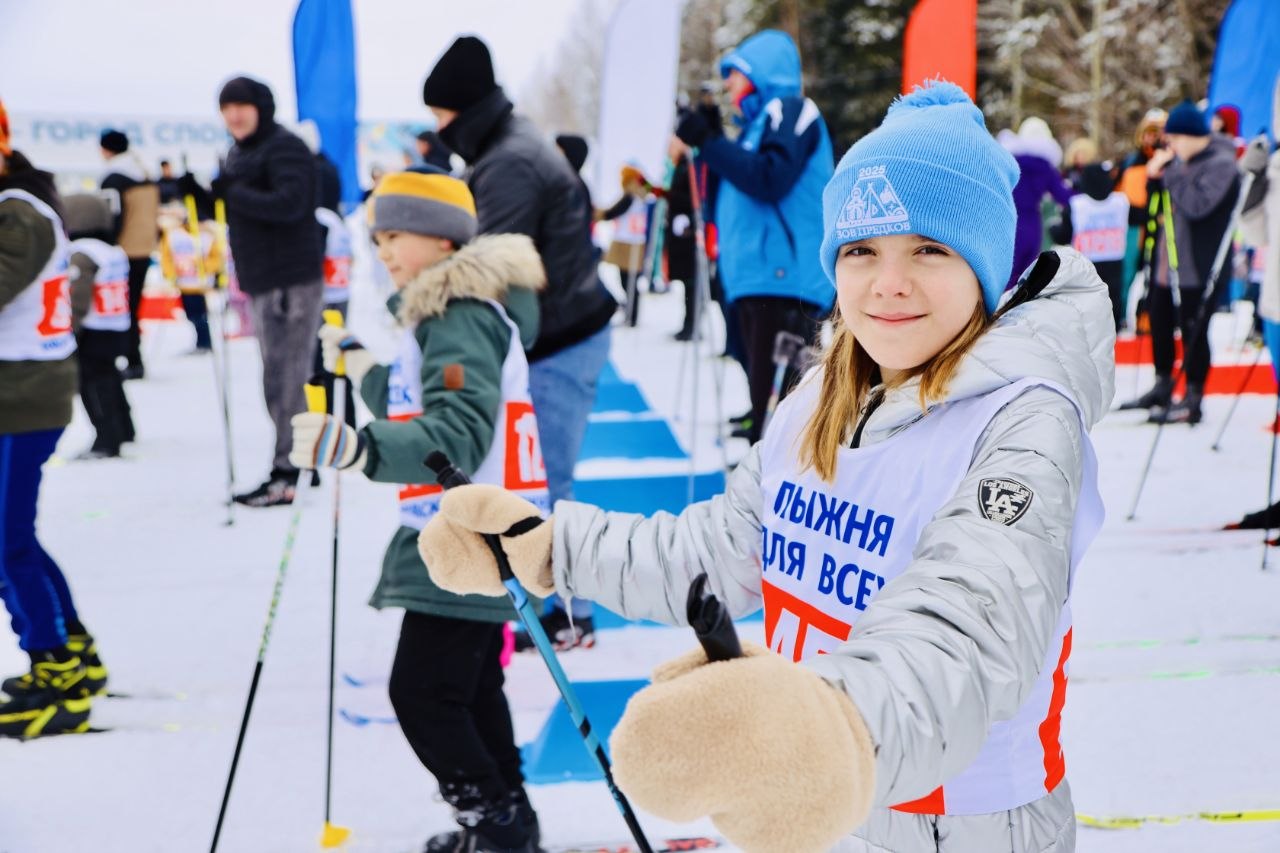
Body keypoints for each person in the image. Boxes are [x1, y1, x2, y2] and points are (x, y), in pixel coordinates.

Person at [419, 81, 1115, 853]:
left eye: (930, 248)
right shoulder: (820, 397)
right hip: (811, 806)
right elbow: (717, 549)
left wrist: (823, 729)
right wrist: (552, 548)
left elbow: (970, 627)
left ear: (982, 264)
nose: (889, 281)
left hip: (952, 823)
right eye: (862, 250)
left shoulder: (1023, 421)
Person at [287, 170, 546, 853]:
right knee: (470, 686)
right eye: (376, 240)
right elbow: (425, 399)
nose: (383, 253)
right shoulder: (449, 312)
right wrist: (367, 369)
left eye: (395, 236)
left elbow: (458, 430)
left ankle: (495, 823)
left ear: (442, 239)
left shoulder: (457, 313)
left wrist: (358, 447)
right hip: (472, 533)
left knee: (425, 693)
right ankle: (507, 820)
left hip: (474, 537)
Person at [423, 35, 617, 648]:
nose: (438, 127)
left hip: (561, 339)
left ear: (463, 109)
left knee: (548, 482)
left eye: (440, 114)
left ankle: (571, 615)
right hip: (560, 333)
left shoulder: (508, 162)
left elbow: (490, 266)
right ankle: (554, 606)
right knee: (539, 479)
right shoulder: (506, 147)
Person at [669, 29, 835, 444]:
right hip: (755, 279)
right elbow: (725, 196)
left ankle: (780, 475)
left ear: (762, 72)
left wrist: (710, 142)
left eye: (736, 73)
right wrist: (709, 144)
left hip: (784, 282)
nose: (728, 83)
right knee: (765, 397)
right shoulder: (755, 128)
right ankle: (765, 460)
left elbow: (769, 178)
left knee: (784, 406)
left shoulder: (792, 110)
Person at [0, 108, 109, 737]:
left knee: (7, 543)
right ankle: (72, 650)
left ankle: (54, 670)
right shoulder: (20, 203)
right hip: (19, 394)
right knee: (15, 539)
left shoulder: (18, 210)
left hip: (25, 397)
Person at [182, 76, 325, 506]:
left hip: (290, 278)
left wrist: (233, 192)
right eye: (226, 108)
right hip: (262, 278)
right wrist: (200, 196)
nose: (233, 115)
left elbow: (289, 204)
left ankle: (290, 469)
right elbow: (237, 206)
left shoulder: (285, 148)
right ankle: (298, 460)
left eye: (241, 106)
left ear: (261, 107)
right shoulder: (239, 153)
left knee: (287, 378)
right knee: (276, 378)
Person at [1119, 100, 1241, 425]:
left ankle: (1194, 395)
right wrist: (1155, 177)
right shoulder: (1181, 161)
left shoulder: (1221, 163)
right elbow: (1157, 200)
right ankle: (1162, 385)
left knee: (1193, 329)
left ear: (1189, 136)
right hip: (1167, 259)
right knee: (1159, 319)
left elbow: (1197, 205)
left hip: (1200, 266)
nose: (1169, 145)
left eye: (1173, 138)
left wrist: (1170, 173)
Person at [64, 193, 137, 458]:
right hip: (116, 324)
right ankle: (125, 428)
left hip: (93, 330)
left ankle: (106, 439)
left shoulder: (82, 253)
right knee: (110, 378)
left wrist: (70, 329)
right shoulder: (112, 250)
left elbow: (78, 297)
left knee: (92, 384)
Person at [99, 128, 159, 380]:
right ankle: (134, 358)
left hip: (122, 250)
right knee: (132, 307)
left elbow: (112, 216)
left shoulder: (114, 177)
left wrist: (106, 243)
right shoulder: (144, 172)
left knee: (122, 310)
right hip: (144, 248)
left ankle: (131, 359)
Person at [1049, 162, 1129, 330]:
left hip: (1085, 264)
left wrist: (1053, 229)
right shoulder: (1120, 202)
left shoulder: (1077, 205)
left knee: (1087, 306)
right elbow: (1139, 216)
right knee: (1111, 302)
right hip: (1114, 261)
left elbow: (1064, 235)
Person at [1000, 117, 1076, 290]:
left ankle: (1001, 304)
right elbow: (1064, 196)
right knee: (1027, 274)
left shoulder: (1009, 162)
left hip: (1009, 220)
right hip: (1033, 223)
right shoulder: (1045, 167)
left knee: (1007, 272)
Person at [157, 203, 217, 352]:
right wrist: (171, 273)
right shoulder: (174, 235)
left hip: (200, 284)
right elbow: (166, 256)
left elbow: (216, 259)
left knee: (201, 316)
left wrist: (203, 266)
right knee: (191, 315)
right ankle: (201, 342)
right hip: (183, 283)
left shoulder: (207, 236)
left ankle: (205, 342)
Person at [597, 165, 652, 327]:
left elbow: (612, 212)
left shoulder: (630, 196)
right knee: (629, 281)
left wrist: (597, 214)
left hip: (628, 242)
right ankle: (631, 313)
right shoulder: (642, 195)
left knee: (628, 281)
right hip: (636, 241)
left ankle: (632, 315)